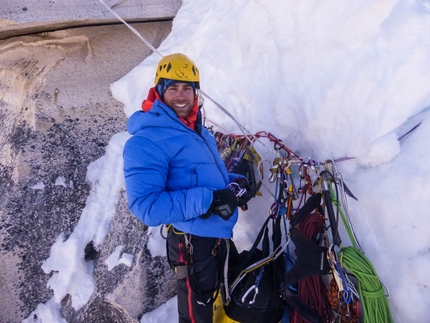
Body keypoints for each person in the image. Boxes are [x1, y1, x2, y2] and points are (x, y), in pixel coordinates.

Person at [122, 53, 253, 323]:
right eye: (173, 88)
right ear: (159, 91)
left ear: (196, 93)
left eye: (187, 88)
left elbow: (198, 176)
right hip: (191, 243)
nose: (181, 96)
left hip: (214, 236)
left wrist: (233, 182)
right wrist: (210, 200)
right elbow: (146, 206)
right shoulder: (147, 140)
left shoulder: (195, 129)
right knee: (196, 317)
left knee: (218, 302)